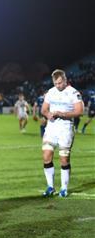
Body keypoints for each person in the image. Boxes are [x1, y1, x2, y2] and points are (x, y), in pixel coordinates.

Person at [41, 69, 84, 198]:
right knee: (46, 156)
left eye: (60, 83)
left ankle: (64, 188)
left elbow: (79, 111)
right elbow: (44, 109)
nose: (58, 86)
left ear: (65, 80)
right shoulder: (51, 92)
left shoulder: (73, 92)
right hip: (52, 128)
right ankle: (50, 187)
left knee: (64, 159)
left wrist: (62, 114)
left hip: (66, 128)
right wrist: (48, 114)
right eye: (56, 83)